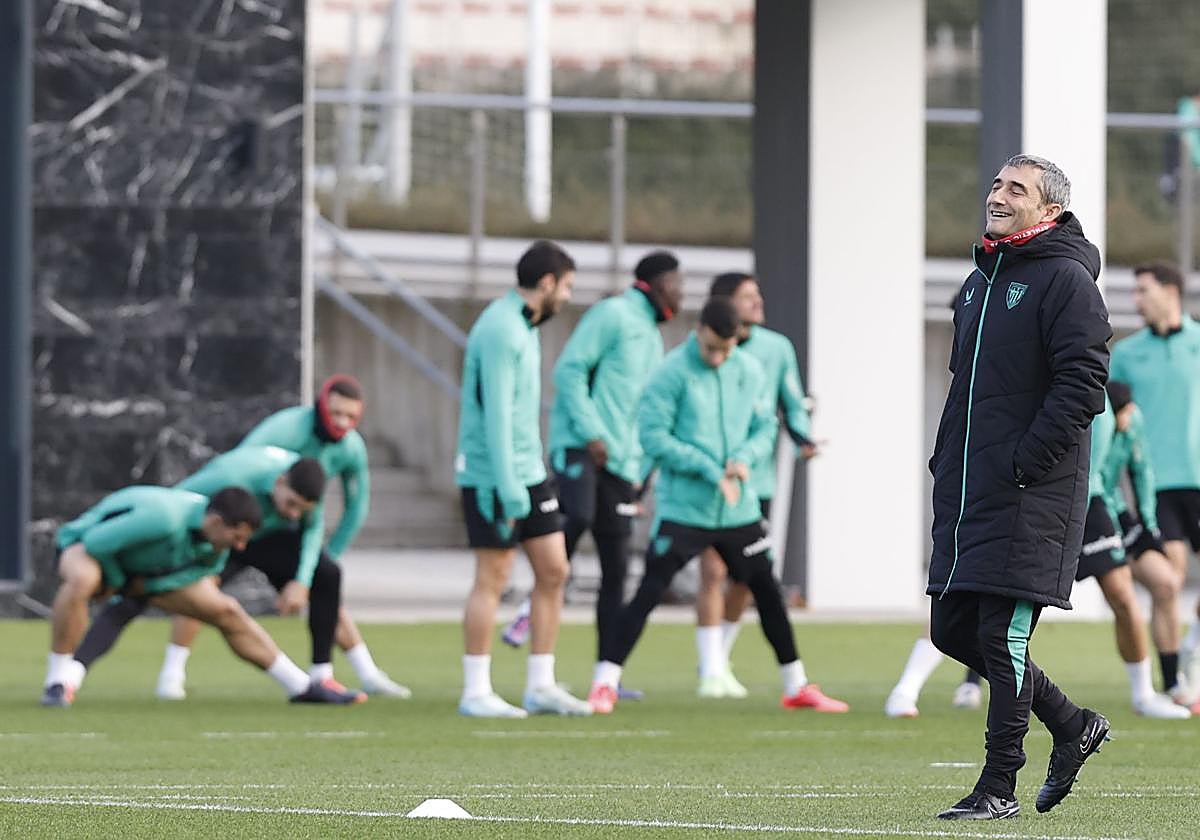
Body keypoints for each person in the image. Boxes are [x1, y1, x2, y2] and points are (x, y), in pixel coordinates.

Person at [927, 154, 1112, 820]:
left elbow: (1084, 382)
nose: (997, 195)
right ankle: (1072, 725)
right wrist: (945, 461)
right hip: (971, 493)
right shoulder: (978, 284)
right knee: (952, 630)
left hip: (1031, 492)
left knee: (1001, 637)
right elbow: (962, 392)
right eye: (998, 184)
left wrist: (1027, 462)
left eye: (1017, 189)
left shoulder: (1065, 280)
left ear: (1050, 211)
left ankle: (998, 786)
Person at [586, 297, 849, 715]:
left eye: (727, 349)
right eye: (712, 348)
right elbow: (654, 437)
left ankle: (796, 685)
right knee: (650, 590)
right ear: (699, 331)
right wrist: (709, 469)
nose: (719, 357)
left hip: (738, 509)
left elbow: (765, 426)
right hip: (686, 508)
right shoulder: (670, 373)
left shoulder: (749, 369)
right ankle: (604, 682)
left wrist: (745, 458)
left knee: (766, 589)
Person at [147, 375, 407, 700]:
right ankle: (171, 675)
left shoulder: (351, 449)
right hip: (240, 523)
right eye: (336, 412)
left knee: (325, 575)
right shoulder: (285, 429)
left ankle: (354, 674)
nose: (341, 422)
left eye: (350, 417)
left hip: (279, 529)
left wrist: (312, 568)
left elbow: (355, 506)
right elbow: (240, 467)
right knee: (203, 589)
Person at [502, 252, 684, 692]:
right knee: (577, 515)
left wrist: (639, 470)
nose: (681, 291)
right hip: (581, 447)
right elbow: (569, 371)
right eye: (676, 281)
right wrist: (592, 433)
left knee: (617, 571)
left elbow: (643, 411)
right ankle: (535, 601)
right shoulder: (613, 314)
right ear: (656, 283)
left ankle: (607, 676)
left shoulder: (653, 338)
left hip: (622, 463)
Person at [71, 446, 365, 704]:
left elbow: (311, 532)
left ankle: (318, 680)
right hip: (214, 541)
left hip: (251, 539)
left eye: (302, 510)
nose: (294, 515)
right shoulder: (232, 477)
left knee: (325, 573)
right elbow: (175, 506)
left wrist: (300, 581)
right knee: (137, 597)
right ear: (279, 482)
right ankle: (161, 675)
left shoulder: (305, 490)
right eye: (290, 504)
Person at [455, 240, 591, 718]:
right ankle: (476, 692)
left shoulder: (526, 326)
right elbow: (494, 414)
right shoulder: (500, 329)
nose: (569, 297)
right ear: (548, 283)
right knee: (493, 576)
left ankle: (540, 684)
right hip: (494, 476)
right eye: (568, 286)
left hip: (530, 472)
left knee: (555, 570)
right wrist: (506, 487)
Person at [693, 271, 818, 697]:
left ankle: (720, 660)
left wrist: (803, 439)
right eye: (748, 297)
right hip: (707, 476)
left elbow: (791, 402)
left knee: (746, 577)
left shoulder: (776, 348)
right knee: (713, 569)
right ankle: (709, 669)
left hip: (753, 481)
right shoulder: (699, 353)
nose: (758, 302)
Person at [1110, 261, 1200, 706]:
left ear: (1170, 291)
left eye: (1143, 290)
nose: (1136, 300)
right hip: (1160, 488)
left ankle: (1190, 648)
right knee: (1169, 584)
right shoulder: (1126, 355)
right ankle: (1174, 683)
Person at [1075, 396, 1188, 719]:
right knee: (1007, 596)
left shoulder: (1123, 411)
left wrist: (1148, 527)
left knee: (1130, 593)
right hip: (1053, 497)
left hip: (1102, 506)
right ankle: (967, 683)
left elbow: (1142, 471)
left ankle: (1156, 689)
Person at [1100, 380, 1193, 707]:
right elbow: (1092, 478)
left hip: (1117, 516)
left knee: (1166, 583)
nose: (1129, 417)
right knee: (1017, 595)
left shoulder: (1132, 420)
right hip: (1091, 514)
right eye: (1121, 412)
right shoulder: (1094, 421)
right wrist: (1118, 515)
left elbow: (1142, 471)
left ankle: (1170, 683)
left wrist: (1148, 525)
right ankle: (973, 680)